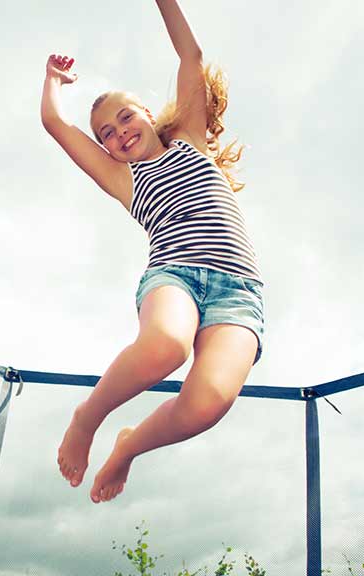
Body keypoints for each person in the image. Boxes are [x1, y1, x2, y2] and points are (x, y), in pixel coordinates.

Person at [40, 0, 265, 504]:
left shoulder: (190, 138)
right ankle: (87, 418)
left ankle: (128, 447)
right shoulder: (123, 178)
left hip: (240, 293)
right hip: (175, 276)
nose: (119, 133)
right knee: (166, 345)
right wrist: (52, 79)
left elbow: (191, 55)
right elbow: (57, 125)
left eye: (125, 118)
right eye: (107, 134)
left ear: (147, 113)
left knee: (209, 402)